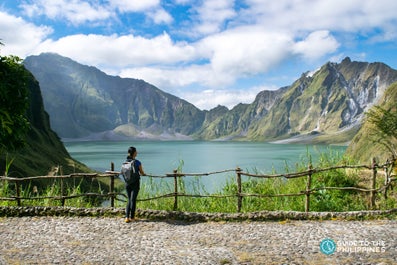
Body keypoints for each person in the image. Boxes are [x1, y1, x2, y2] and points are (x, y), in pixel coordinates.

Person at [124, 146, 145, 223]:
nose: (137, 152)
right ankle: (132, 217)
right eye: (136, 151)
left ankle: (126, 217)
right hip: (135, 183)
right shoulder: (137, 162)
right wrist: (144, 174)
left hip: (127, 183)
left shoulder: (125, 162)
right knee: (133, 200)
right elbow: (142, 172)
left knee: (129, 199)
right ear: (134, 153)